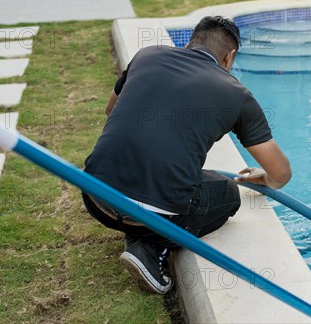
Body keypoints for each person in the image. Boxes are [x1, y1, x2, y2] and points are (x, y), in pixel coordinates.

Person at [82, 16, 291, 294]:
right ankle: (150, 248)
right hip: (157, 214)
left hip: (96, 197)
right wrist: (265, 177)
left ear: (191, 41)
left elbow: (111, 110)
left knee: (198, 178)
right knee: (228, 192)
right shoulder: (236, 93)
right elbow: (281, 174)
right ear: (229, 57)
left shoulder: (147, 55)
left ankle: (141, 225)